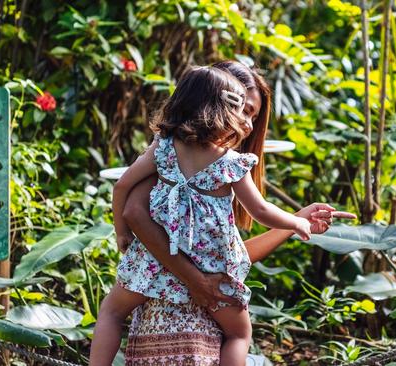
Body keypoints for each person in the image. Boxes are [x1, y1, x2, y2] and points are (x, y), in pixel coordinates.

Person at [118, 60, 356, 365]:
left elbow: (229, 254)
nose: (246, 123)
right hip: (169, 307)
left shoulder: (214, 162)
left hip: (208, 311)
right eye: (241, 109)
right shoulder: (171, 152)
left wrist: (294, 221)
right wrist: (196, 280)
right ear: (213, 102)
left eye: (253, 115)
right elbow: (134, 213)